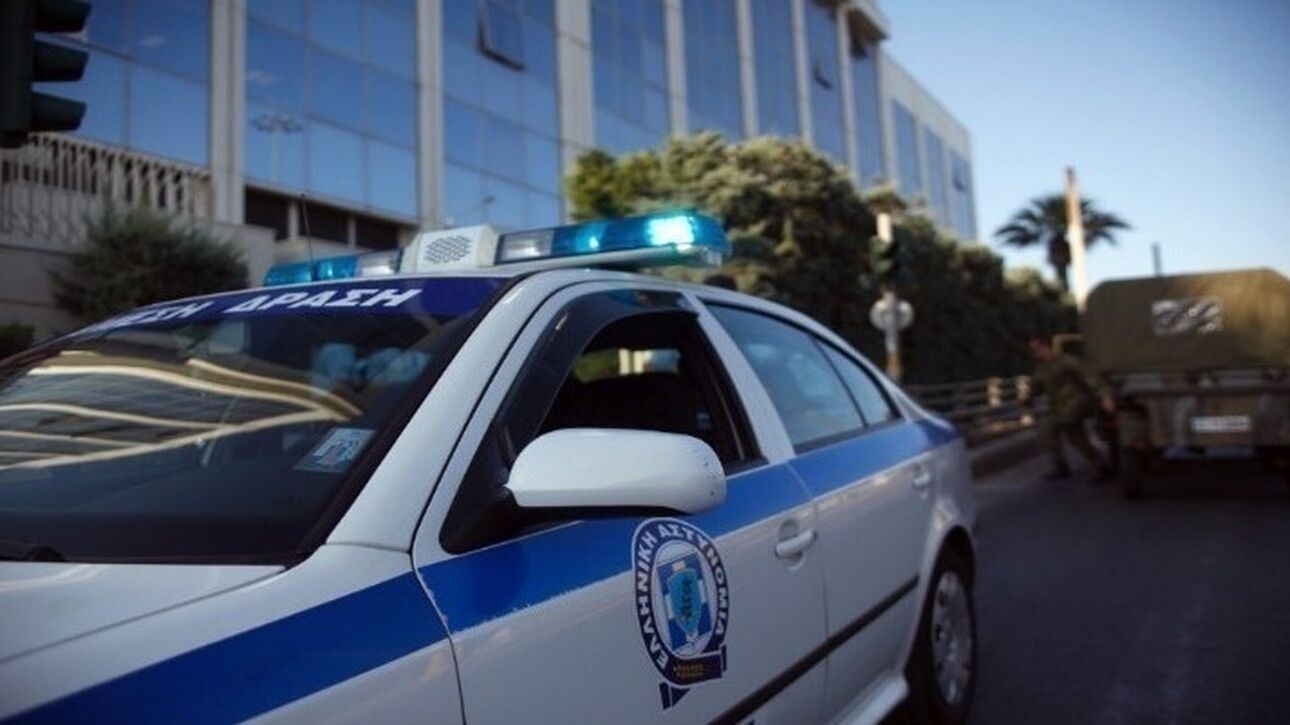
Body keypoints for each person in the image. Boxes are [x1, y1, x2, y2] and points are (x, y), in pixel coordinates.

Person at [1027, 336, 1115, 480]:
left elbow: (1090, 376)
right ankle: (1061, 467)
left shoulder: (1067, 361)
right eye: (1032, 350)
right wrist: (1028, 398)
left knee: (1076, 439)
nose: (1035, 353)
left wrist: (1104, 395)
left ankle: (1099, 465)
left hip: (1074, 405)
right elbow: (1037, 386)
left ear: (1046, 347)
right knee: (1047, 433)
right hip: (1057, 408)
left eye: (1037, 349)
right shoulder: (1042, 368)